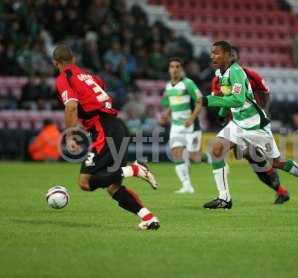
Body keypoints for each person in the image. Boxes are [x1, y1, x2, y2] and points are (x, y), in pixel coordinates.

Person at [201, 41, 298, 209]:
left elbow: (238, 100)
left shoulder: (237, 72)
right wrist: (223, 114)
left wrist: (208, 100)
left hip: (255, 126)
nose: (212, 56)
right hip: (238, 124)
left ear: (228, 56)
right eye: (212, 52)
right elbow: (228, 97)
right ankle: (224, 198)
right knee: (216, 150)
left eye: (216, 53)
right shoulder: (220, 73)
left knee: (277, 162)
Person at [52, 44, 160, 230]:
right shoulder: (90, 76)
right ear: (74, 59)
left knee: (85, 182)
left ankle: (133, 169)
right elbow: (97, 97)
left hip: (105, 129)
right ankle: (148, 218)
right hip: (116, 127)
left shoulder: (64, 77)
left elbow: (71, 106)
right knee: (113, 186)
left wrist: (70, 137)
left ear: (55, 63)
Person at [211, 46, 290, 204]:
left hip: (252, 123)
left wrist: (263, 113)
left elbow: (266, 93)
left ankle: (279, 189)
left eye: (233, 55)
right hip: (235, 124)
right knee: (242, 155)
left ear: (236, 58)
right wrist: (221, 113)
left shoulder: (250, 75)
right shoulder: (218, 78)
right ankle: (280, 190)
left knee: (250, 155)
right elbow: (222, 100)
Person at [160, 57, 203, 193]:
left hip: (191, 125)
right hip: (176, 125)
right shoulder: (168, 86)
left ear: (182, 69)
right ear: (169, 69)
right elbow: (171, 104)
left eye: (177, 66)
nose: (175, 69)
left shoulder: (188, 83)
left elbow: (200, 101)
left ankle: (214, 158)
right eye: (172, 66)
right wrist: (166, 114)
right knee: (176, 154)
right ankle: (187, 186)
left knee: (194, 157)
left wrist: (192, 117)